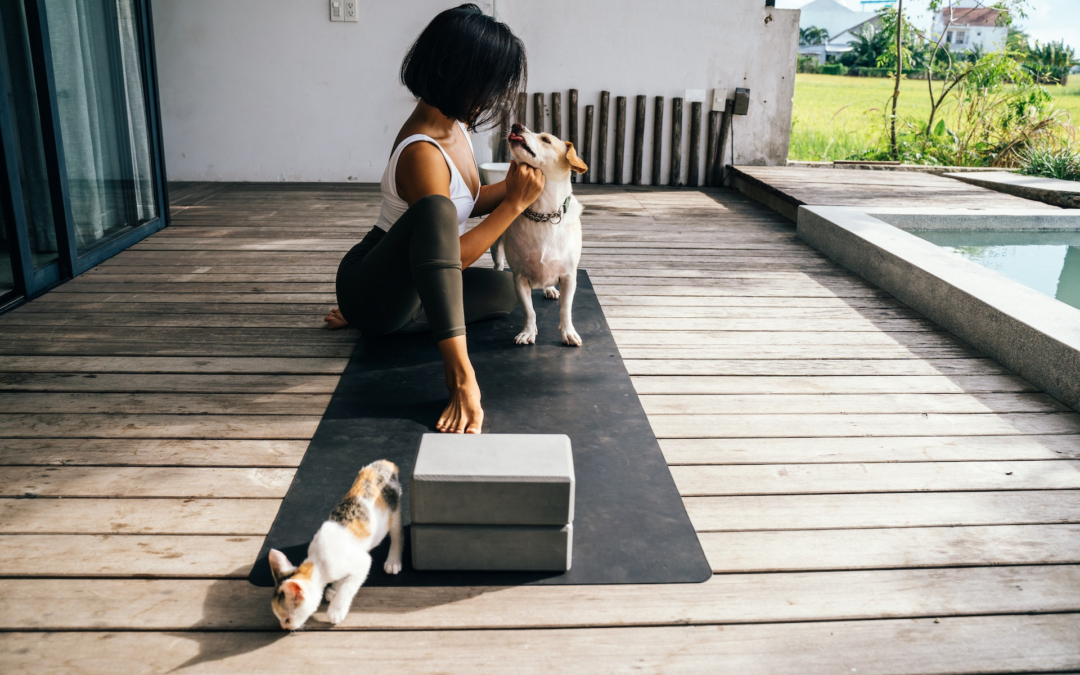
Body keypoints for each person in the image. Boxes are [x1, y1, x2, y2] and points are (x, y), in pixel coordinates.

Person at [324, 4, 543, 435]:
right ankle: (459, 376)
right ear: (459, 75)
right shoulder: (422, 151)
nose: (495, 98)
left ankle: (384, 319)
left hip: (417, 282)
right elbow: (450, 253)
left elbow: (471, 199)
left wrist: (529, 187)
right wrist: (513, 206)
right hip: (373, 280)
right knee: (437, 213)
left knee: (504, 293)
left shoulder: (455, 127)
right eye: (490, 85)